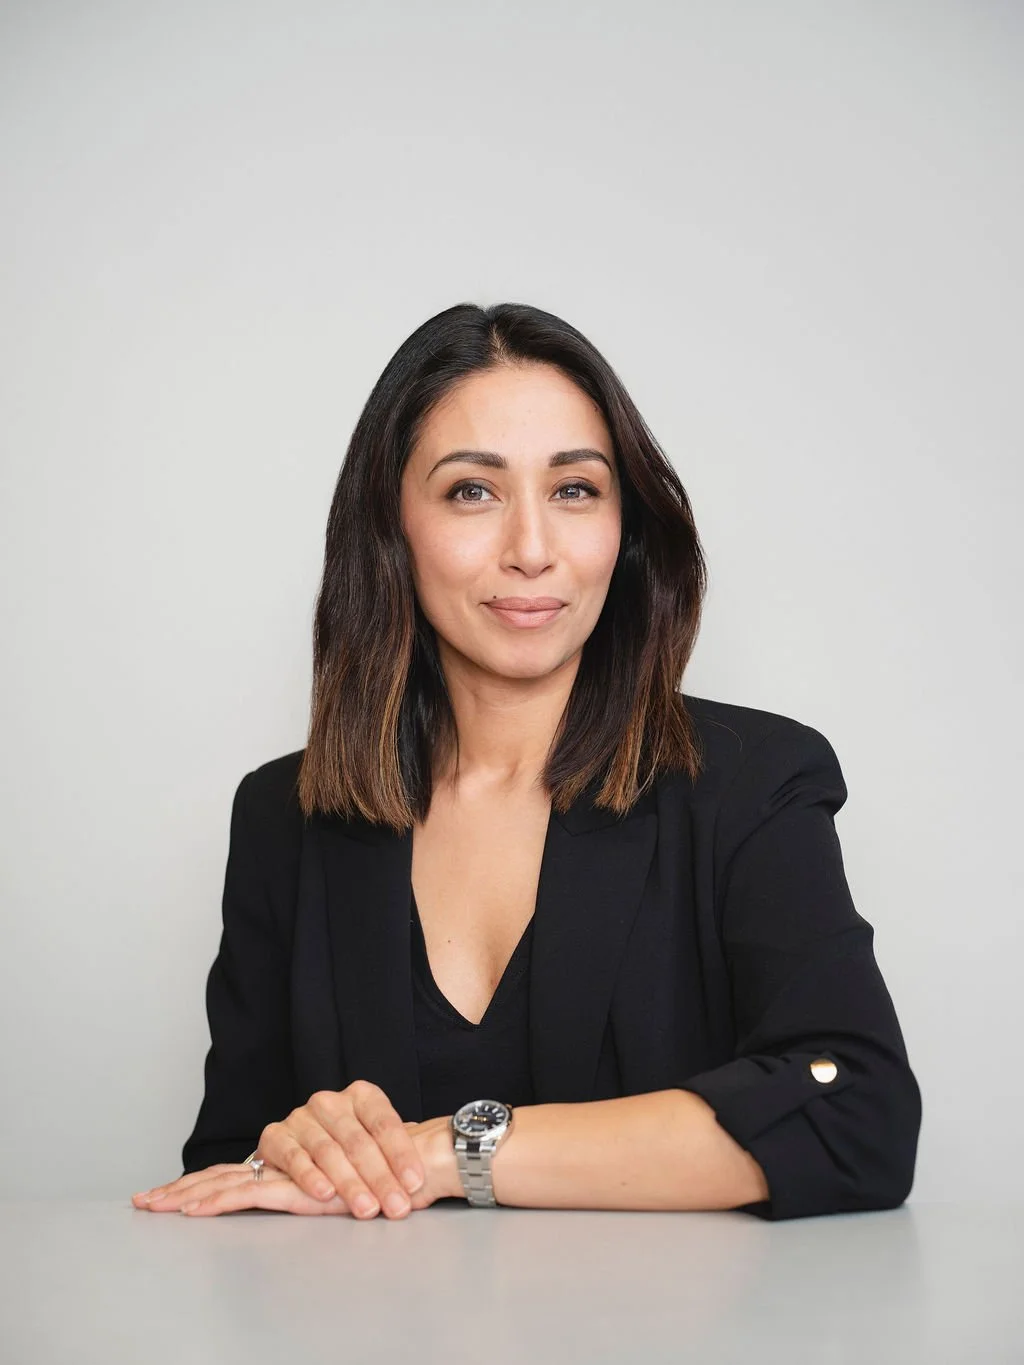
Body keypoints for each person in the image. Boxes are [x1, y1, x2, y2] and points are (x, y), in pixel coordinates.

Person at [131, 301, 921, 1223]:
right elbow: (228, 1171)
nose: (532, 551)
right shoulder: (285, 818)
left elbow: (855, 1112)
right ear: (391, 526)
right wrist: (294, 1148)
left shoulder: (754, 782)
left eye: (575, 490)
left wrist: (453, 1149)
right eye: (473, 491)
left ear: (626, 526)